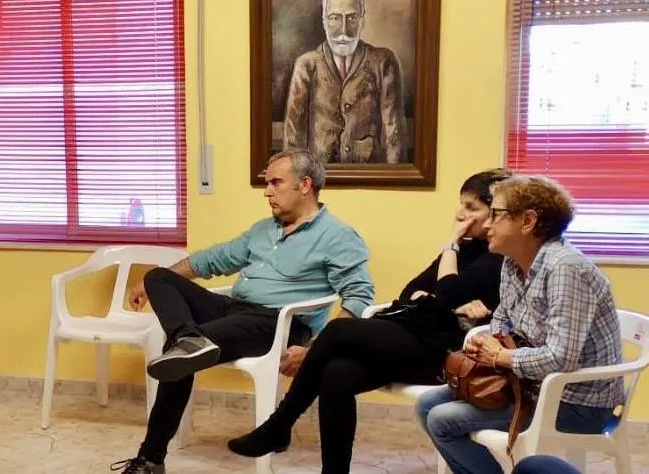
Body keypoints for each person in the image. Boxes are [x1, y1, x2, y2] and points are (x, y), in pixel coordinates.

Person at [227, 168, 511, 474]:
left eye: (471, 208)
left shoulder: (497, 256)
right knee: (336, 373)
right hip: (418, 337)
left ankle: (280, 424)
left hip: (451, 355)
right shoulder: (467, 249)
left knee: (339, 330)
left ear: (495, 213)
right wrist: (440, 298)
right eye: (461, 205)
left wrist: (450, 248)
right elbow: (411, 291)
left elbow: (445, 293)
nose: (460, 215)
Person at [110, 149, 375, 474]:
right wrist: (146, 284)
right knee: (158, 277)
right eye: (267, 183)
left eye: (276, 182)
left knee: (178, 351)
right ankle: (189, 339)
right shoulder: (263, 230)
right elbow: (213, 259)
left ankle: (151, 459)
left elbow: (358, 296)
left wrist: (314, 350)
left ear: (305, 185)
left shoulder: (338, 237)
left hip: (278, 323)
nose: (267, 191)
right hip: (234, 310)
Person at [417, 176, 623, 474]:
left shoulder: (566, 269)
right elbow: (502, 319)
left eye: (496, 215)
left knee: (442, 420)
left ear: (527, 221)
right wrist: (487, 341)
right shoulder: (512, 262)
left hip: (576, 402)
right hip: (529, 384)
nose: (487, 225)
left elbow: (561, 358)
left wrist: (501, 356)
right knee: (427, 404)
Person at [282, 0, 404, 164]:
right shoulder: (307, 64)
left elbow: (393, 130)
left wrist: (394, 176)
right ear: (324, 21)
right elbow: (294, 134)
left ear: (362, 20)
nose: (344, 31)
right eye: (334, 18)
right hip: (319, 173)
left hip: (369, 172)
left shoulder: (383, 61)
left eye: (352, 18)